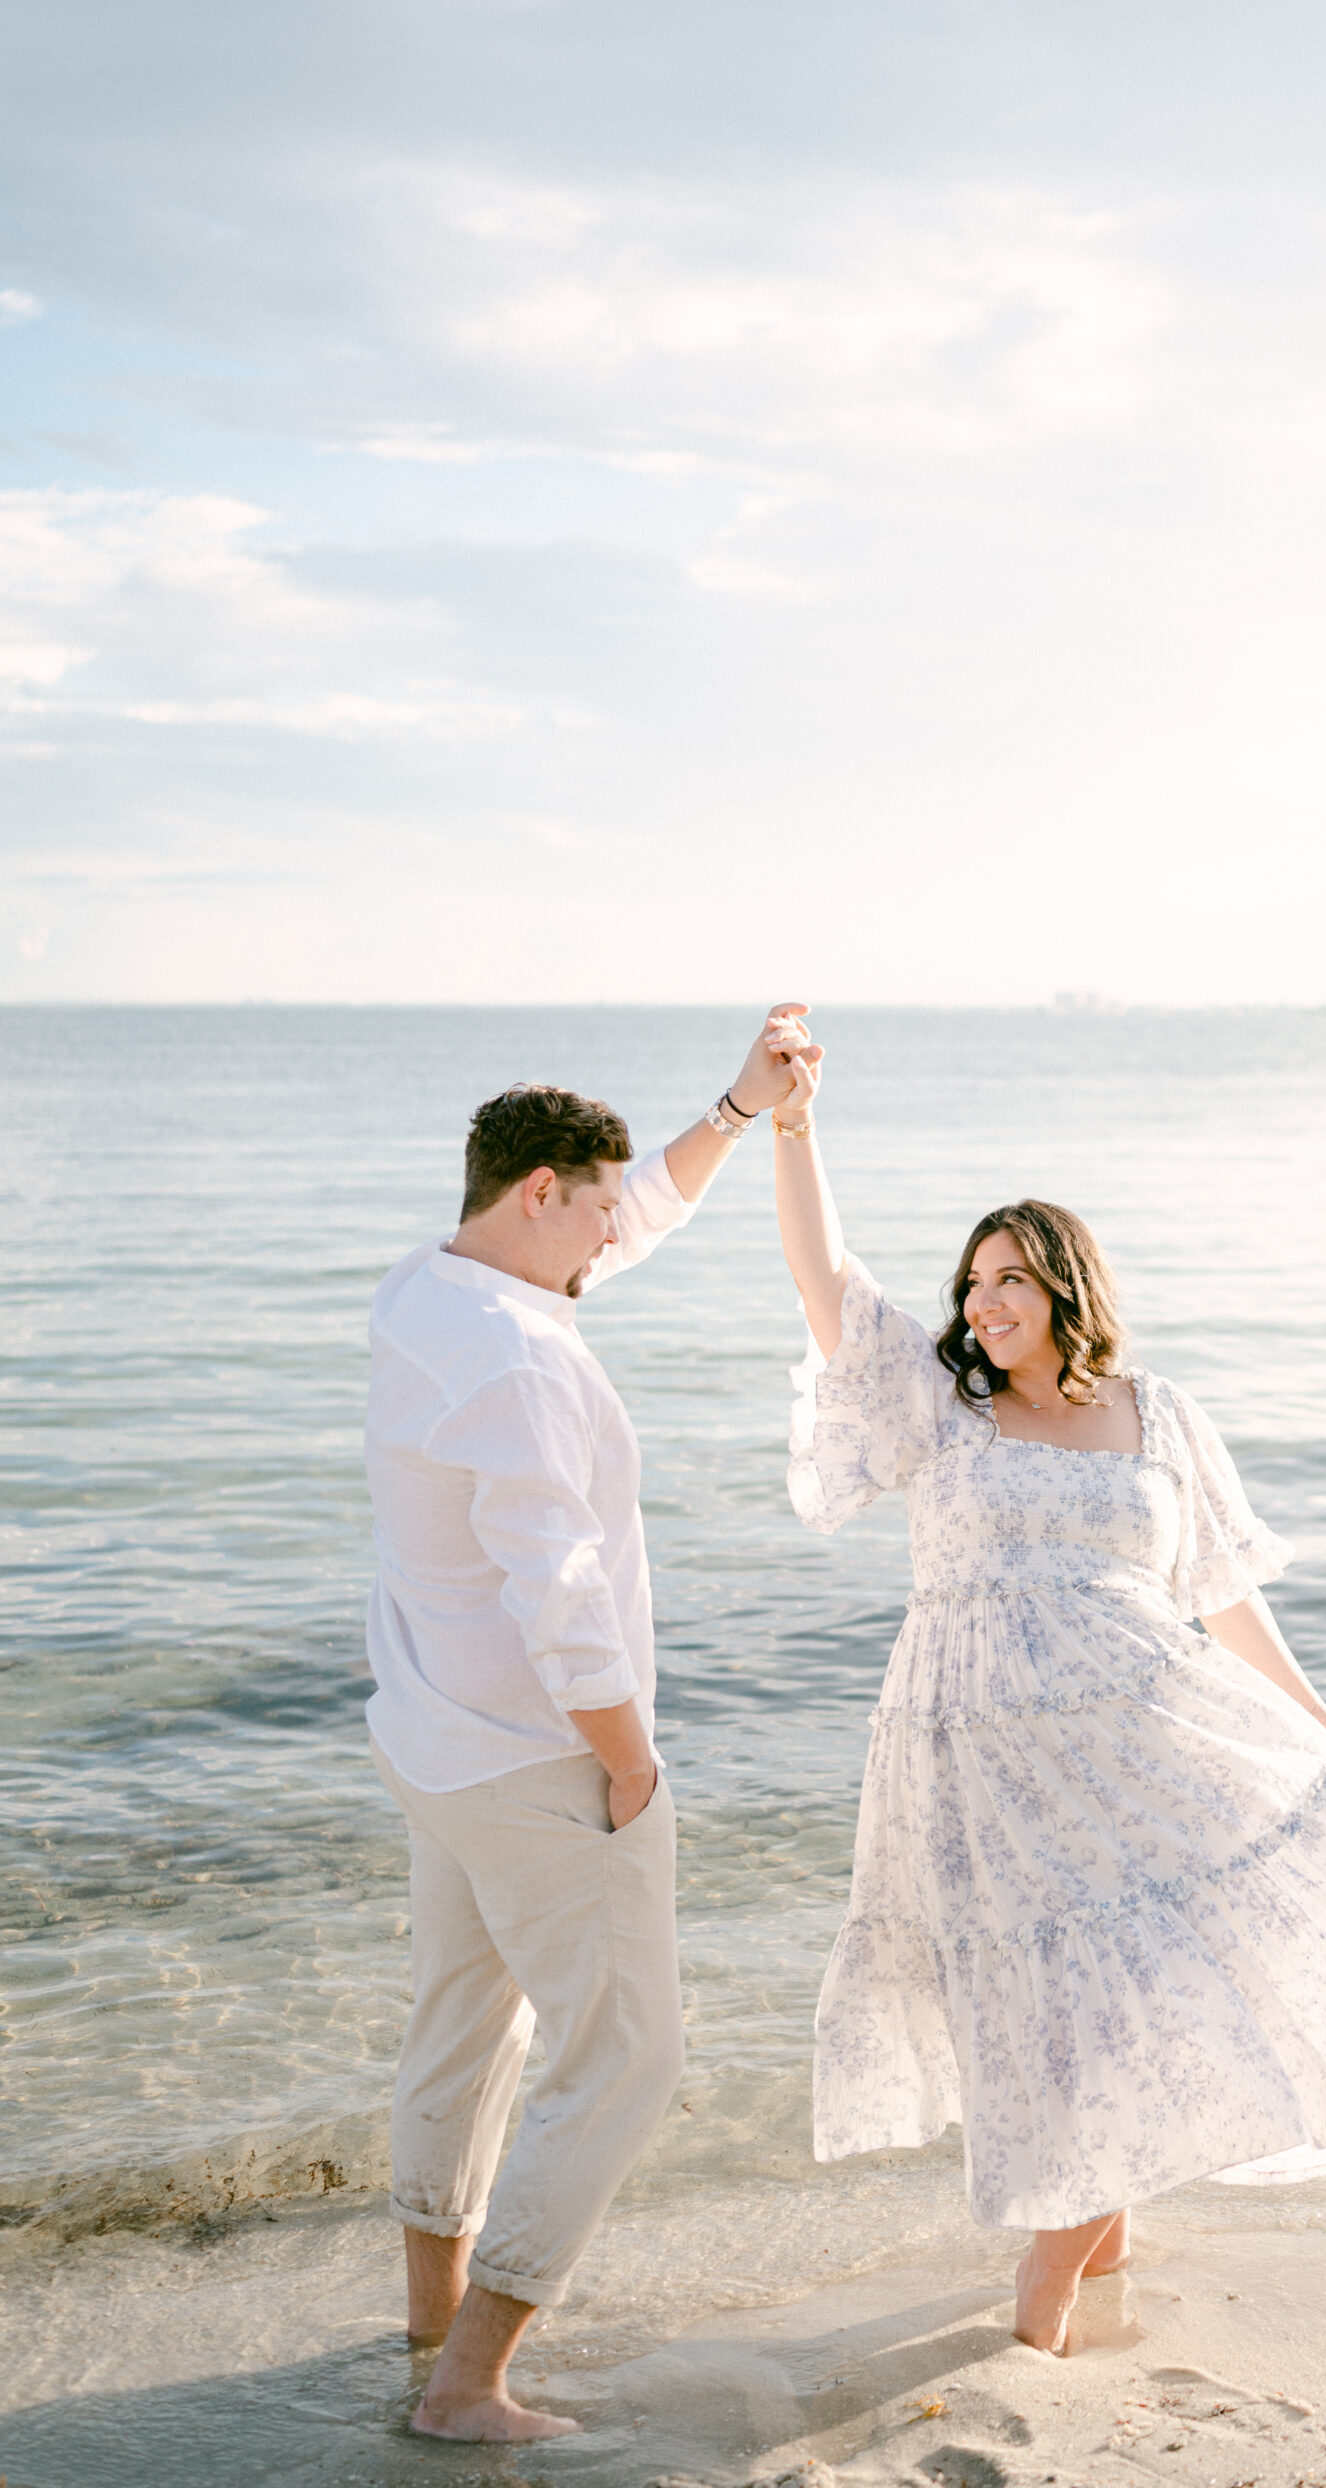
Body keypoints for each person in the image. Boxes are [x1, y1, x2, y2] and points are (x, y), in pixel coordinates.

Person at [766, 1030, 1326, 2358]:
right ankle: (1099, 2232)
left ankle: (1054, 2279)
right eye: (973, 1284)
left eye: (1012, 1279)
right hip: (986, 1765)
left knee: (1130, 1987)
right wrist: (794, 1129)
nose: (984, 1305)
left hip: (1152, 1739)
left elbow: (1220, 1587)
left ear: (1069, 1289)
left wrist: (1310, 1712)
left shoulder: (1157, 1415)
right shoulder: (940, 1411)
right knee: (1047, 2003)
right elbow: (824, 1279)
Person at [364, 1004, 811, 2442]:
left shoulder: (428, 1292)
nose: (616, 1239)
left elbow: (644, 1216)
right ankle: (469, 2384)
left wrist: (735, 1113)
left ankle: (433, 2318)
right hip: (544, 1763)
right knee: (627, 2060)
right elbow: (560, 1591)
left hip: (436, 1746)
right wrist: (632, 1762)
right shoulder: (524, 1359)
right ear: (541, 1190)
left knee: (462, 2035)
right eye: (598, 1207)